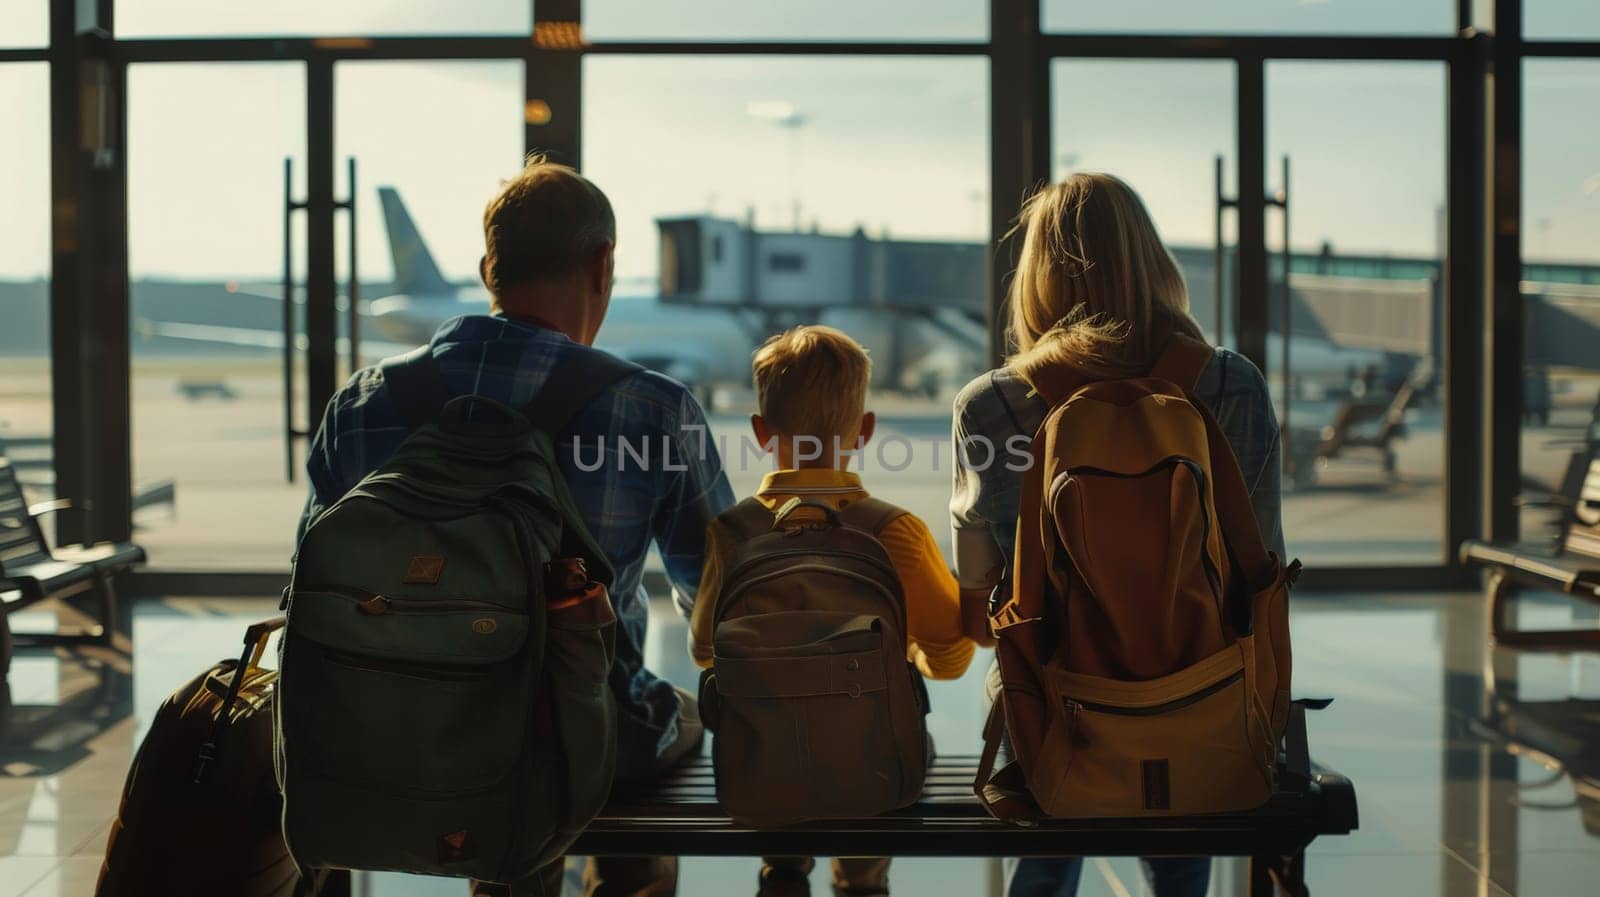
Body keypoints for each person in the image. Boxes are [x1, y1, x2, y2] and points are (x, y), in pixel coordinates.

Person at [297, 155, 736, 897]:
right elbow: (719, 597)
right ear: (603, 265)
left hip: (394, 731)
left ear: (487, 267)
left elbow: (311, 580)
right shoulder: (651, 408)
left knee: (502, 746)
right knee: (653, 714)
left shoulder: (365, 400)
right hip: (586, 734)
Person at [949, 173, 1285, 897]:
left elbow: (978, 610)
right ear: (1151, 259)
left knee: (1037, 835)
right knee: (1182, 841)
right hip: (1203, 692)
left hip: (1053, 706)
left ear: (1035, 274)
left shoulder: (991, 404)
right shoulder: (1231, 385)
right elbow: (1265, 572)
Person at [690, 325, 977, 897]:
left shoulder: (733, 532)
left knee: (769, 730)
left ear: (760, 433)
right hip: (870, 764)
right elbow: (949, 657)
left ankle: (783, 870)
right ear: (865, 431)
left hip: (766, 769)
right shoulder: (894, 530)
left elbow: (704, 651)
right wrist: (906, 650)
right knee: (879, 741)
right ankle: (862, 880)